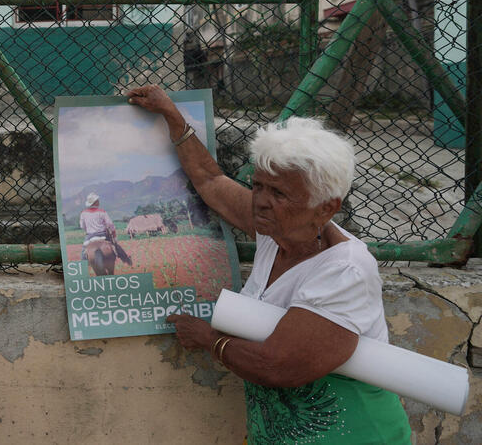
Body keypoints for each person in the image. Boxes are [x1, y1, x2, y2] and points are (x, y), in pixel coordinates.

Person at [126, 84, 411, 444]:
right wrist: (173, 117)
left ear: (326, 207)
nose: (260, 201)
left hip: (352, 432)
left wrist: (208, 338)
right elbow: (211, 180)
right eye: (258, 185)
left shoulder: (344, 270)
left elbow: (277, 365)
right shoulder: (277, 228)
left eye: (278, 193)